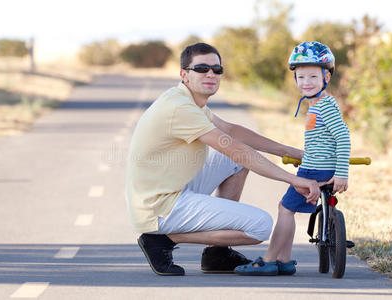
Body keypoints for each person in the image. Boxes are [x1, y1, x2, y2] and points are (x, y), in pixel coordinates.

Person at [126, 42, 321, 276]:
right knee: (260, 226)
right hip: (159, 206)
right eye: (202, 69)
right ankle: (162, 240)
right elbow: (235, 149)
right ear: (184, 74)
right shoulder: (180, 108)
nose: (211, 74)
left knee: (233, 161)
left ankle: (216, 253)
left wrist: (287, 151)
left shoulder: (187, 99)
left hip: (170, 189)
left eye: (217, 70)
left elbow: (231, 131)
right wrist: (293, 180)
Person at [234, 41, 351, 276]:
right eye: (301, 77)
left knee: (285, 209)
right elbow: (323, 141)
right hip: (312, 166)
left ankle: (270, 260)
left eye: (313, 77)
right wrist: (306, 157)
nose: (306, 83)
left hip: (315, 173)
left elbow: (343, 137)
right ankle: (285, 260)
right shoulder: (317, 105)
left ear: (326, 77)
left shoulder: (324, 107)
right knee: (286, 208)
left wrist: (342, 173)